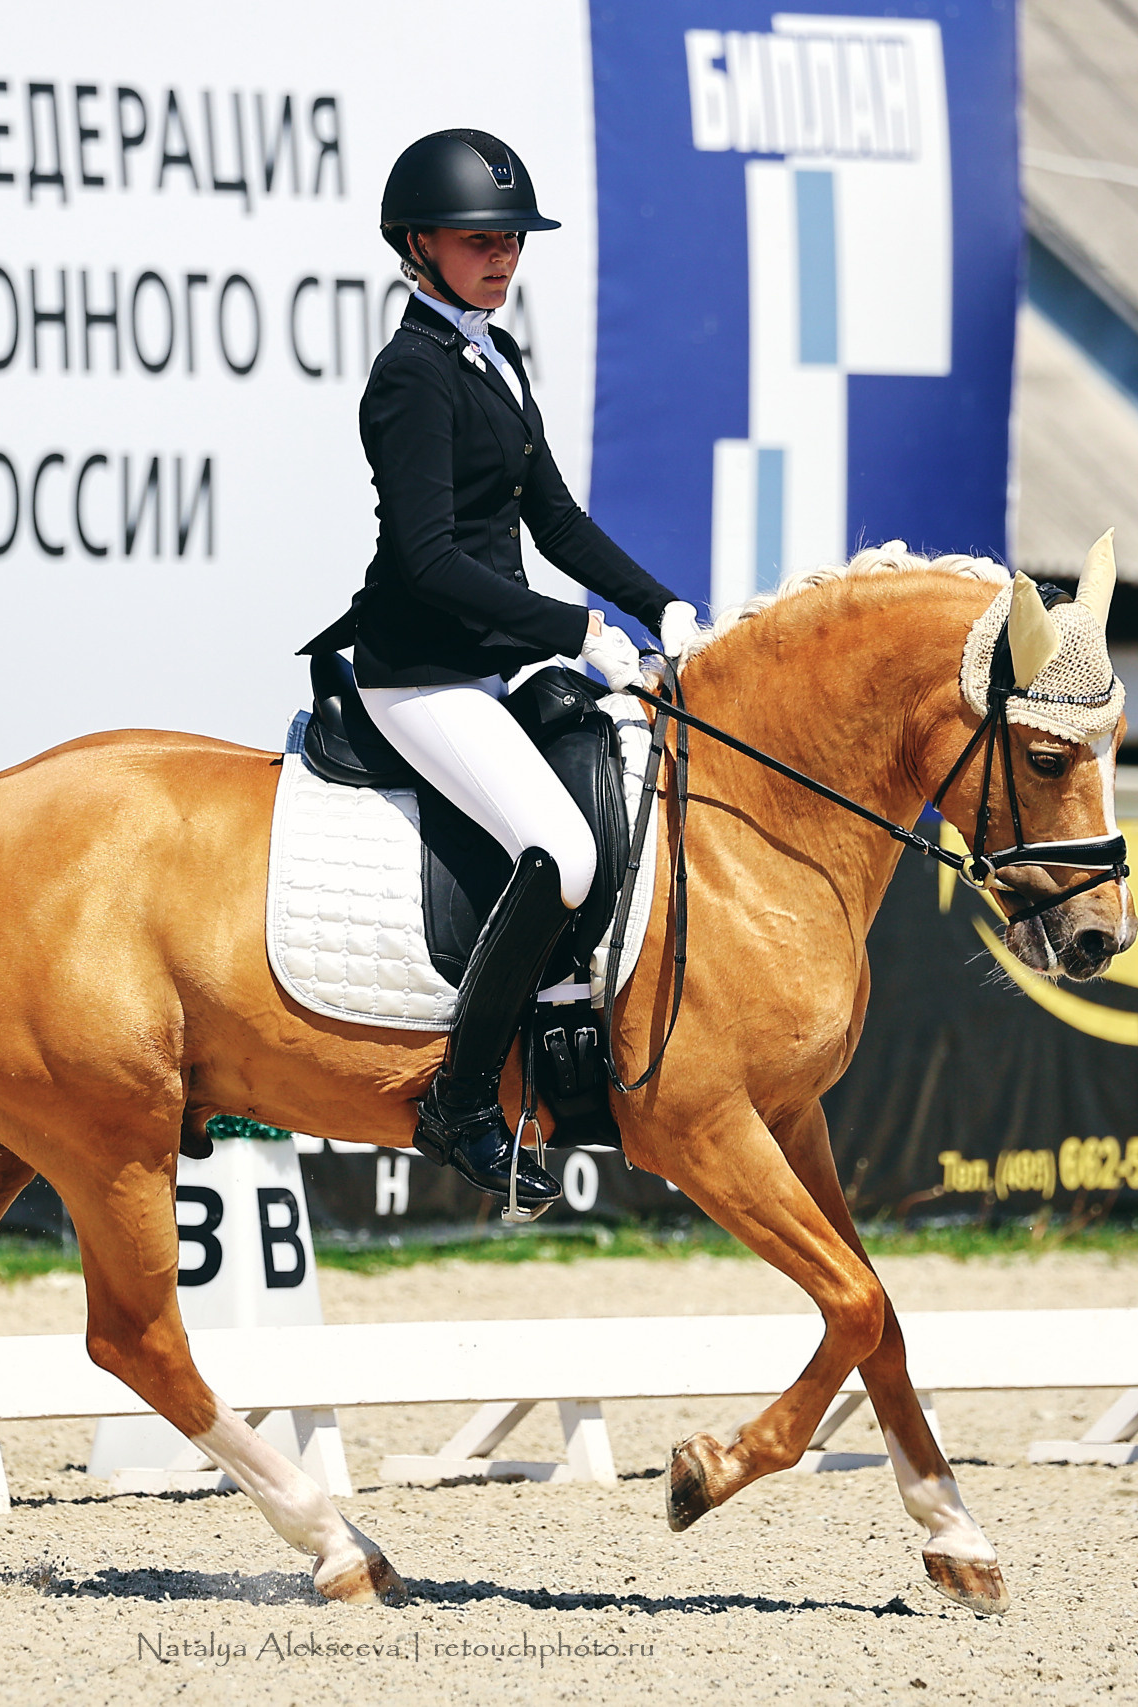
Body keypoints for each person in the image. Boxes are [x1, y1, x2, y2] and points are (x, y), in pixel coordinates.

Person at [304, 129, 698, 1206]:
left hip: (498, 661)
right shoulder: (410, 376)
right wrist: (570, 634)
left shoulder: (495, 353)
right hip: (423, 675)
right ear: (417, 243)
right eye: (480, 240)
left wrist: (660, 605)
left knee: (628, 790)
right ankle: (463, 1101)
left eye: (512, 240)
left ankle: (569, 1043)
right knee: (561, 851)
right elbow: (428, 562)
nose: (501, 258)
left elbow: (556, 520)